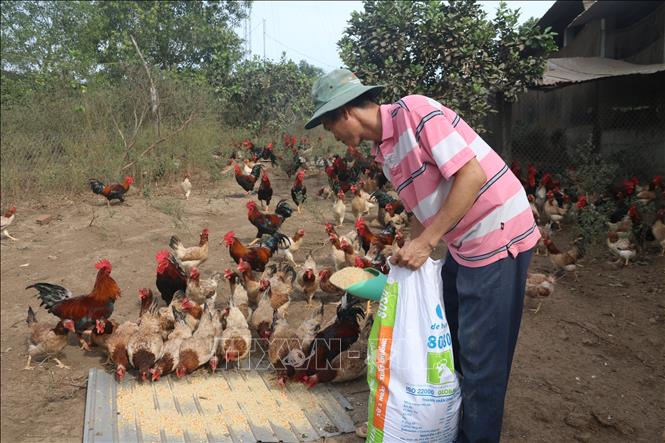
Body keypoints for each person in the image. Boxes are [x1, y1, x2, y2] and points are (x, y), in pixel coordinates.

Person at [305, 69, 539, 443]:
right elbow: (420, 208)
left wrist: (427, 243)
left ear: (345, 112)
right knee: (452, 343)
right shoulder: (384, 150)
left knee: (482, 363)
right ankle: (449, 427)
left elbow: (472, 176)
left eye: (329, 125)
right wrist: (409, 252)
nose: (331, 134)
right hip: (464, 243)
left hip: (497, 234)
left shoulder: (415, 112)